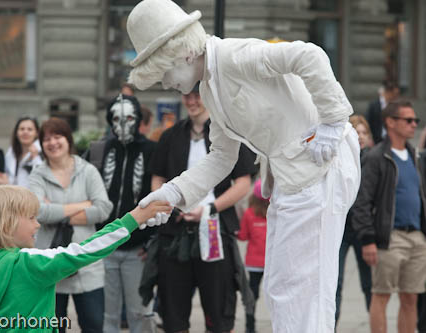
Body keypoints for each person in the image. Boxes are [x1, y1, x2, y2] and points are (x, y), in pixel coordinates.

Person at [126, 0, 360, 331]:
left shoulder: (235, 56)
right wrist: (172, 193)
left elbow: (309, 55)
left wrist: (334, 120)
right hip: (296, 175)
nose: (165, 84)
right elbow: (221, 156)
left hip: (320, 166)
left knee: (303, 286)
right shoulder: (210, 87)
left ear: (184, 54)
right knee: (283, 286)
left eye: (163, 72)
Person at [0, 185, 172, 333]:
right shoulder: (29, 262)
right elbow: (86, 250)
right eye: (30, 218)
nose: (37, 225)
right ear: (6, 224)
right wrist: (133, 218)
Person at [145, 85, 256, 333]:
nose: (192, 101)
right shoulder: (170, 136)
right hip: (175, 230)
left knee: (218, 308)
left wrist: (211, 208)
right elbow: (158, 179)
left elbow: (243, 183)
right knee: (173, 309)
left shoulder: (229, 134)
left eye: (198, 96)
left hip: (214, 228)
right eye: (188, 96)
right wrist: (169, 206)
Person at [27, 117, 114, 333]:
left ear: (68, 139)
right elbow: (37, 211)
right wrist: (83, 205)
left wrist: (55, 210)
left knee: (93, 324)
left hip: (86, 262)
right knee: (53, 327)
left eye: (58, 137)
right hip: (50, 263)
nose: (52, 143)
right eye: (46, 139)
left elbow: (103, 209)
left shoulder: (88, 171)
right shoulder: (37, 174)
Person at [352, 100, 426, 333]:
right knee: (381, 296)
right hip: (389, 238)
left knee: (410, 299)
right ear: (391, 122)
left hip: (416, 238)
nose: (414, 124)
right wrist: (368, 239)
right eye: (408, 120)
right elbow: (362, 201)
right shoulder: (376, 157)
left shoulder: (415, 157)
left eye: (415, 120)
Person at [95, 94, 157, 333]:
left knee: (139, 313)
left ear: (138, 119)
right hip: (105, 248)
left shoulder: (153, 150)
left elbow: (162, 195)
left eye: (129, 118)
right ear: (110, 121)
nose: (122, 124)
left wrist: (152, 241)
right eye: (116, 118)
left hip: (137, 249)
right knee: (107, 314)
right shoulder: (99, 150)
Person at [335, 115, 373, 324]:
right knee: (335, 281)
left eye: (363, 132)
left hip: (363, 230)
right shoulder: (339, 159)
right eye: (356, 132)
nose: (359, 137)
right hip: (340, 228)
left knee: (370, 284)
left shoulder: (373, 159)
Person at [237, 179, 268, 333]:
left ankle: (250, 326)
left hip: (254, 263)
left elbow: (243, 236)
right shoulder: (275, 213)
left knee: (252, 295)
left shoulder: (249, 214)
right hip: (271, 263)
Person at [5, 116, 43, 187]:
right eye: (22, 129)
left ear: (36, 133)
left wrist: (35, 158)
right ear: (16, 133)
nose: (25, 132)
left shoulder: (43, 152)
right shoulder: (11, 153)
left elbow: (43, 177)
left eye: (30, 129)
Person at [366, 81, 400, 145]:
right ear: (389, 92)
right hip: (376, 139)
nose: (396, 97)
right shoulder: (374, 105)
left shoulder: (394, 106)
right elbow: (368, 121)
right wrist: (369, 138)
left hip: (390, 139)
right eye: (394, 94)